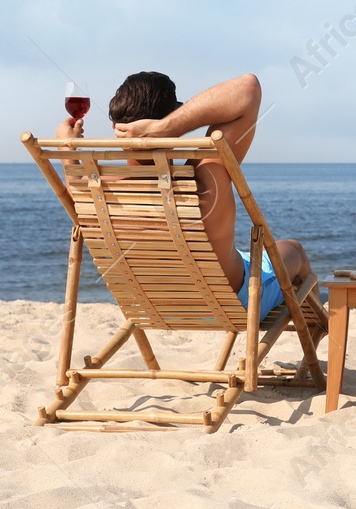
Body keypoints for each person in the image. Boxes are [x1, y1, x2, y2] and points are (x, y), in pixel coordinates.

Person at [56, 71, 312, 323]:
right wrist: (165, 127)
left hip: (150, 308)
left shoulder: (95, 194)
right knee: (293, 249)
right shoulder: (206, 180)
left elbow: (72, 176)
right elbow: (248, 88)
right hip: (232, 305)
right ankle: (318, 330)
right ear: (174, 124)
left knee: (246, 256)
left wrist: (66, 148)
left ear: (115, 126)